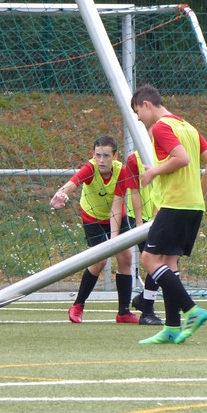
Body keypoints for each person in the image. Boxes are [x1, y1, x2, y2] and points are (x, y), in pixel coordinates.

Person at [130, 84, 207, 345]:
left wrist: (153, 172)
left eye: (138, 112)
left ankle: (191, 310)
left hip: (175, 204)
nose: (138, 119)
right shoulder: (188, 127)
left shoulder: (161, 127)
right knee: (169, 262)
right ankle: (171, 327)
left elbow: (181, 159)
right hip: (192, 205)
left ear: (147, 105)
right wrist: (197, 194)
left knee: (149, 259)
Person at [50, 135, 138, 324]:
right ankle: (77, 305)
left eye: (106, 156)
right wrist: (58, 197)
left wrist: (114, 240)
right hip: (92, 216)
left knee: (126, 256)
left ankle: (123, 312)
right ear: (93, 154)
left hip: (116, 215)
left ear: (115, 156)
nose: (101, 160)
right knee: (99, 260)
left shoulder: (122, 171)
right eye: (98, 155)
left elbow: (117, 205)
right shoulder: (90, 168)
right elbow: (72, 183)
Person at [125, 148, 163, 325]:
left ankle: (144, 300)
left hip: (160, 215)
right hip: (138, 218)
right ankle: (147, 310)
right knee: (155, 262)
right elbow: (134, 191)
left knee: (164, 262)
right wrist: (139, 223)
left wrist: (157, 217)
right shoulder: (134, 159)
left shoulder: (166, 155)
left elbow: (162, 189)